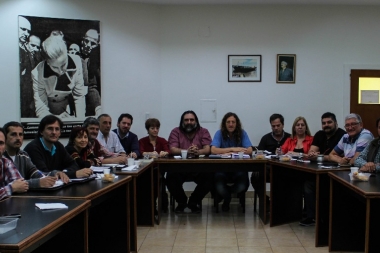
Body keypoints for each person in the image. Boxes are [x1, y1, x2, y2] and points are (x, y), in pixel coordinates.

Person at [300, 112, 346, 226]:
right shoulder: (320, 134)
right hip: (319, 170)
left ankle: (326, 218)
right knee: (307, 183)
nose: (326, 125)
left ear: (336, 123)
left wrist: (321, 157)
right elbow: (312, 151)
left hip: (337, 172)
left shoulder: (343, 135)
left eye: (329, 122)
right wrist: (313, 155)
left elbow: (339, 158)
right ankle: (311, 216)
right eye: (324, 123)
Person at [166, 110, 213, 213]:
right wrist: (187, 151)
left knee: (210, 177)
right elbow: (172, 149)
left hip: (199, 168)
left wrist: (198, 152)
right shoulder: (176, 131)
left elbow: (208, 149)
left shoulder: (203, 131)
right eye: (186, 120)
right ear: (182, 121)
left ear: (196, 121)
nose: (189, 122)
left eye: (192, 120)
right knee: (170, 178)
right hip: (179, 168)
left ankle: (193, 202)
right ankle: (182, 202)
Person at [31, 34, 87, 119]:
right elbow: (41, 108)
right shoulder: (37, 73)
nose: (61, 71)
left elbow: (79, 96)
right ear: (47, 62)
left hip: (68, 111)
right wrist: (55, 119)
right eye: (55, 67)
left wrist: (80, 121)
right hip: (48, 115)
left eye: (64, 64)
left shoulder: (77, 61)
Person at [211, 112, 252, 211]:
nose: (230, 124)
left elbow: (250, 150)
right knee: (218, 185)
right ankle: (227, 197)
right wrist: (233, 149)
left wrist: (227, 150)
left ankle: (226, 196)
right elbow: (213, 150)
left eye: (233, 122)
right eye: (228, 122)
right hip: (222, 169)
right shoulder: (219, 133)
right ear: (224, 124)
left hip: (239, 169)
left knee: (243, 185)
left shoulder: (242, 133)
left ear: (236, 123)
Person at [24, 115, 83, 183]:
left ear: (60, 133)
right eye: (50, 129)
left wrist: (63, 172)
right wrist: (73, 174)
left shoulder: (58, 145)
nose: (54, 132)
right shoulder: (33, 148)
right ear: (41, 131)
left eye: (57, 129)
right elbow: (44, 174)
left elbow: (73, 164)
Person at [251, 113, 290, 208]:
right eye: (273, 126)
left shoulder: (290, 138)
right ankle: (265, 200)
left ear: (283, 125)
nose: (276, 128)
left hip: (285, 168)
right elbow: (258, 154)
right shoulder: (266, 138)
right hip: (268, 168)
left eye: (278, 125)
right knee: (255, 176)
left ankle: (282, 203)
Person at [3, 121, 56, 188]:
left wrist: (52, 175)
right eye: (13, 134)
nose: (18, 138)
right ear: (5, 137)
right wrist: (38, 183)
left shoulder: (23, 155)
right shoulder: (2, 157)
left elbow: (34, 172)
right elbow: (13, 184)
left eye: (20, 134)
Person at [139, 118, 170, 213]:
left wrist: (164, 153)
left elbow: (168, 150)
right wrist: (150, 153)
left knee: (158, 179)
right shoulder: (142, 141)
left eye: (157, 128)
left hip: (159, 169)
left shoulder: (162, 140)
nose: (155, 130)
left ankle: (156, 205)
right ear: (147, 129)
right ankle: (150, 206)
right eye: (152, 128)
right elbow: (140, 152)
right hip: (146, 169)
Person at [0, 127, 29, 200]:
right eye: (13, 134)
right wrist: (11, 188)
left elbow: (21, 184)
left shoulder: (5, 162)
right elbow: (14, 186)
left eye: (1, 143)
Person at [81, 29, 101, 116]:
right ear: (82, 40)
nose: (88, 45)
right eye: (86, 41)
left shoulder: (95, 61)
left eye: (92, 43)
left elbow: (93, 86)